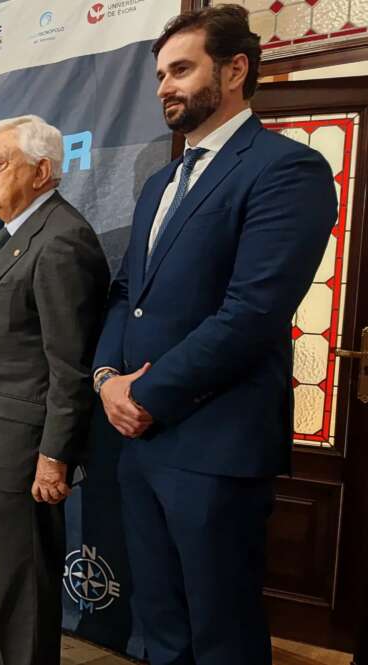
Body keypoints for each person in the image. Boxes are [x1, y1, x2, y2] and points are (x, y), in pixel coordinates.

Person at [92, 6, 337, 664]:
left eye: (180, 69)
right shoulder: (159, 182)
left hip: (214, 447)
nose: (164, 87)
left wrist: (148, 394)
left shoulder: (288, 170)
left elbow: (252, 313)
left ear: (235, 70)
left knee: (222, 634)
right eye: (159, 75)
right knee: (159, 624)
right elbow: (125, 296)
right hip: (138, 444)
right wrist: (106, 379)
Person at [0, 115, 109, 665]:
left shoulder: (62, 240)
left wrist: (53, 457)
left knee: (23, 591)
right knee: (3, 587)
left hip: (20, 454)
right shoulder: (13, 235)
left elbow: (70, 367)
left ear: (42, 172)